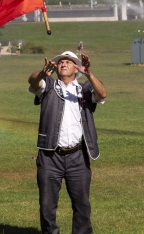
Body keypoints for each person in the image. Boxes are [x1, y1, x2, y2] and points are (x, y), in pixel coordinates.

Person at [28, 51, 107, 234]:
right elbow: (32, 81)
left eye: (68, 62)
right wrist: (42, 73)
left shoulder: (84, 89)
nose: (63, 64)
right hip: (50, 157)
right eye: (61, 62)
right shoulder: (47, 85)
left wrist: (89, 74)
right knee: (47, 206)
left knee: (82, 206)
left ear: (76, 68)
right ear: (55, 68)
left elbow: (102, 94)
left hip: (78, 157)